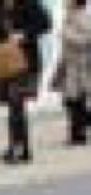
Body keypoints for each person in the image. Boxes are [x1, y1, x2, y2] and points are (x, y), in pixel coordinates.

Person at [0, 0, 53, 164]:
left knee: (16, 101)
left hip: (26, 61)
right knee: (13, 104)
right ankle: (21, 148)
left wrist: (24, 35)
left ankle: (18, 148)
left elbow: (46, 23)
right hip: (5, 61)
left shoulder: (29, 2)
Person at [56, 0, 91, 145]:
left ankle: (78, 134)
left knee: (76, 100)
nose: (65, 2)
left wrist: (67, 35)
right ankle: (76, 134)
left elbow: (87, 39)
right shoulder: (69, 16)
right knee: (70, 101)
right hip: (69, 64)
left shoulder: (82, 16)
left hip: (79, 66)